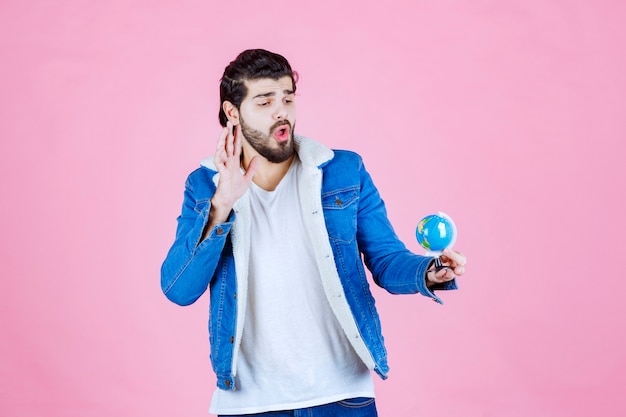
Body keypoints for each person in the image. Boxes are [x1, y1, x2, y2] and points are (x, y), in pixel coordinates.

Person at [161, 49, 467, 417]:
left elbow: (386, 259)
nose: (281, 111)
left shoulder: (343, 171)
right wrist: (221, 204)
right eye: (265, 101)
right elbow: (179, 289)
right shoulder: (204, 186)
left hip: (341, 396)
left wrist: (429, 271)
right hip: (250, 403)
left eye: (288, 98)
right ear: (232, 113)